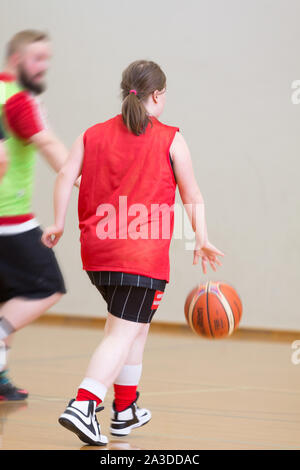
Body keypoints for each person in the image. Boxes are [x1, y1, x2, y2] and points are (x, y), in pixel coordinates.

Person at [42, 60, 224, 446]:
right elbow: (191, 194)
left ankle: (124, 411)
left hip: (97, 253)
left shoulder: (92, 134)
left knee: (132, 329)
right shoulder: (171, 137)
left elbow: (63, 175)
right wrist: (201, 238)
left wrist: (57, 223)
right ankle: (85, 403)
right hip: (141, 257)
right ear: (158, 95)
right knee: (122, 334)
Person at [0, 30, 77, 401]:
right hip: (10, 219)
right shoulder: (15, 101)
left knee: (8, 297)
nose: (43, 67)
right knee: (47, 287)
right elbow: (48, 146)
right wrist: (81, 179)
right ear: (16, 61)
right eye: (37, 59)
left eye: (47, 59)